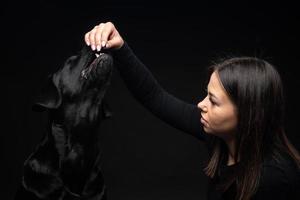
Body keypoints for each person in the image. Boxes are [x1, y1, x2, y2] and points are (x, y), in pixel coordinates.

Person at [84, 22, 300, 200]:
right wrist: (120, 47)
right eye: (207, 94)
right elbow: (154, 97)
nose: (201, 105)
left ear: (248, 114)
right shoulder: (220, 139)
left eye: (213, 101)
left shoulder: (275, 179)